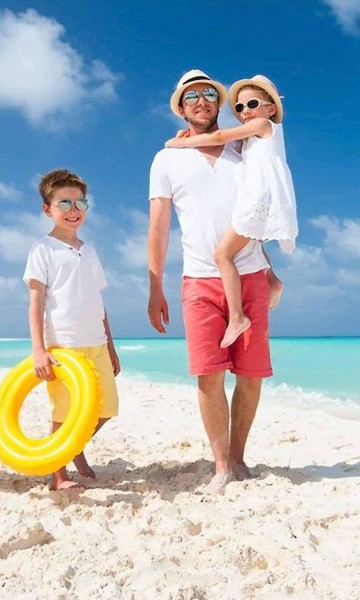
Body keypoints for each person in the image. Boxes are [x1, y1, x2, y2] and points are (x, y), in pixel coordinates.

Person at [148, 69, 273, 495]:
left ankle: (238, 457)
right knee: (208, 376)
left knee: (251, 375)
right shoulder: (167, 158)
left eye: (208, 94)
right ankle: (221, 464)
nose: (201, 100)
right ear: (181, 107)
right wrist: (155, 286)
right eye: (191, 96)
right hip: (199, 278)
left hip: (250, 272)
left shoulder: (244, 145)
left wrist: (271, 269)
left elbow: (257, 211)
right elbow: (159, 227)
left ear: (217, 103)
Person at [166, 74, 297, 347]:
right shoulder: (250, 139)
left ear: (271, 108)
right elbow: (222, 142)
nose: (245, 112)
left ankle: (237, 317)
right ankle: (272, 280)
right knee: (245, 241)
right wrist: (188, 134)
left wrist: (179, 143)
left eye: (252, 103)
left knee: (222, 253)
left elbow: (221, 135)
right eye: (239, 108)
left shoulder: (264, 125)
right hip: (259, 200)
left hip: (259, 200)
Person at [24, 169, 120, 491]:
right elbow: (36, 303)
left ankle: (74, 447)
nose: (73, 209)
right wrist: (39, 350)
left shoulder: (89, 250)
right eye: (64, 202)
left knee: (107, 408)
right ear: (47, 209)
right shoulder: (43, 250)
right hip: (63, 346)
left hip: (96, 342)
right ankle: (59, 475)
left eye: (80, 202)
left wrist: (111, 346)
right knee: (64, 413)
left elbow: (98, 300)